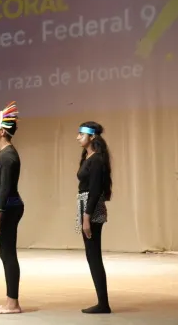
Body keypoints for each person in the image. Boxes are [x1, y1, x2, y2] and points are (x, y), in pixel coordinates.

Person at [0, 101, 23, 315]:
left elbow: (6, 188)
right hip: (6, 207)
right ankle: (11, 300)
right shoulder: (5, 154)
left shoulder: (8, 155)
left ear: (2, 132)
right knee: (5, 253)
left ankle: (13, 303)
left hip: (8, 207)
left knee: (8, 254)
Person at [76, 122, 113, 314]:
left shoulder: (97, 159)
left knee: (93, 255)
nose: (78, 137)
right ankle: (102, 302)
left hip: (91, 207)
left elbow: (96, 189)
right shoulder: (88, 157)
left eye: (81, 134)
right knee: (91, 255)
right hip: (86, 204)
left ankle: (103, 303)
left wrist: (86, 217)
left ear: (92, 137)